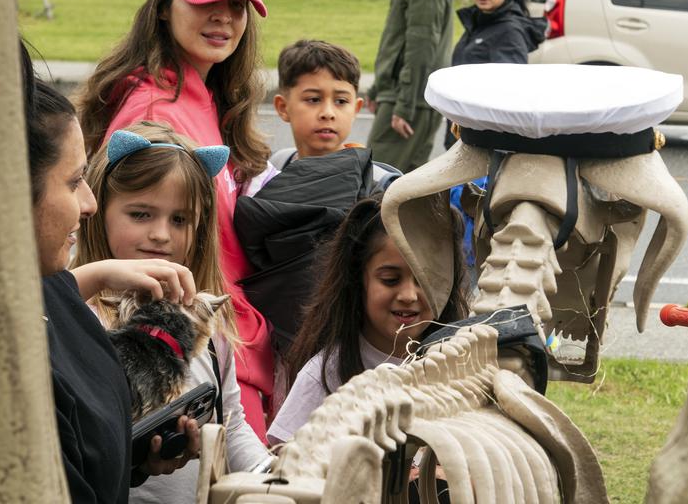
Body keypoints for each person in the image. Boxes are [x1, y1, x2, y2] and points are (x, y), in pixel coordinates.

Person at [77, 0, 276, 442]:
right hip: (188, 341)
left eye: (237, 4)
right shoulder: (156, 113)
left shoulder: (199, 92)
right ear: (164, 7)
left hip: (220, 336)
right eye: (206, 0)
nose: (224, 17)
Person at [23, 51, 199, 502]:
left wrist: (133, 463)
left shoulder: (48, 291)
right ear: (13, 186)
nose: (89, 203)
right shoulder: (16, 371)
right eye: (74, 181)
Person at [72, 122, 272, 503]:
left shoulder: (202, 322)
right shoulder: (82, 313)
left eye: (179, 219)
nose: (162, 234)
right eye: (141, 214)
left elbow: (230, 421)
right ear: (100, 212)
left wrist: (271, 477)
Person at [266, 194, 469, 445]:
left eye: (426, 280)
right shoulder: (324, 375)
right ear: (358, 279)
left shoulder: (466, 367)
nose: (408, 295)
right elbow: (285, 463)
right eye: (390, 280)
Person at [365, 0, 454, 173]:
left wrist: (405, 106)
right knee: (405, 196)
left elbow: (421, 49)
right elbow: (401, 40)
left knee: (374, 185)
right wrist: (378, 88)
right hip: (405, 95)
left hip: (407, 99)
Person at [443, 0, 544, 150]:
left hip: (485, 146)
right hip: (463, 139)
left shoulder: (509, 31)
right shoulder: (480, 21)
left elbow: (508, 98)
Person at [269, 39, 400, 183]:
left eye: (341, 101)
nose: (328, 113)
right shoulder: (270, 170)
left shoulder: (379, 184)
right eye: (313, 99)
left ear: (355, 109)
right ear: (283, 107)